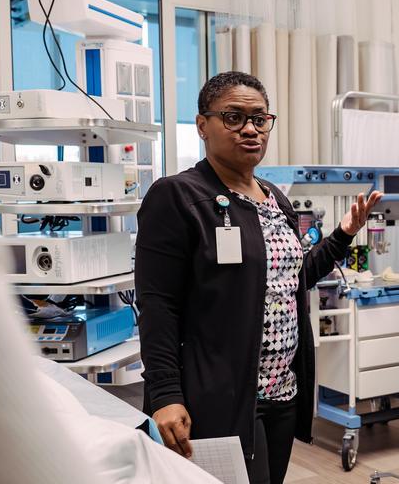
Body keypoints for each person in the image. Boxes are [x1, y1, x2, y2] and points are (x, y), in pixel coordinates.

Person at [136, 71, 382, 484]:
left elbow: (293, 278)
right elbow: (158, 305)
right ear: (202, 126)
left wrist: (343, 236)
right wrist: (164, 394)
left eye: (260, 118)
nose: (250, 128)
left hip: (282, 394)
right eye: (233, 117)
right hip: (221, 396)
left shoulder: (273, 197)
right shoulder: (177, 196)